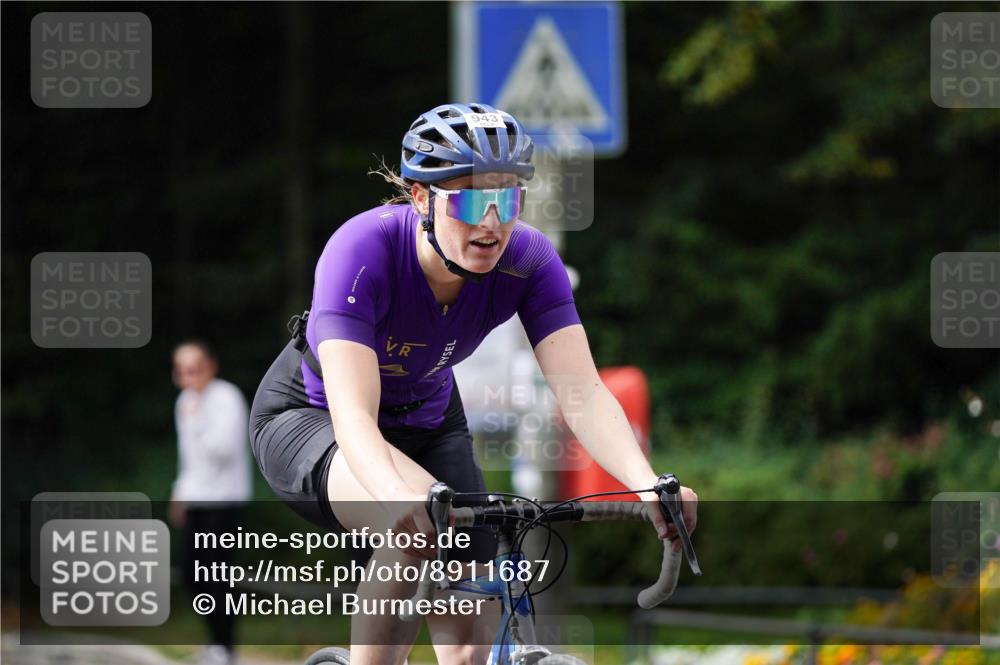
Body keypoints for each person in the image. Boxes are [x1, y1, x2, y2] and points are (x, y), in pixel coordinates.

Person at [249, 103, 699, 665]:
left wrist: (645, 484)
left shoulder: (529, 260)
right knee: (416, 533)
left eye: (506, 198)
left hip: (431, 419)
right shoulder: (361, 252)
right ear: (420, 198)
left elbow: (580, 392)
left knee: (468, 645)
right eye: (467, 197)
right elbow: (355, 417)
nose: (490, 220)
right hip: (314, 420)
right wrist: (397, 499)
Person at [170, 340, 252, 665]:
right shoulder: (185, 402)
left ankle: (225, 648)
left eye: (195, 369)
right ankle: (215, 643)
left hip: (224, 500)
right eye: (183, 371)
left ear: (210, 366)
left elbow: (223, 450)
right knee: (192, 574)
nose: (190, 377)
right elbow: (187, 459)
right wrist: (180, 492)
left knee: (218, 575)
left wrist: (197, 419)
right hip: (196, 499)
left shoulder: (226, 398)